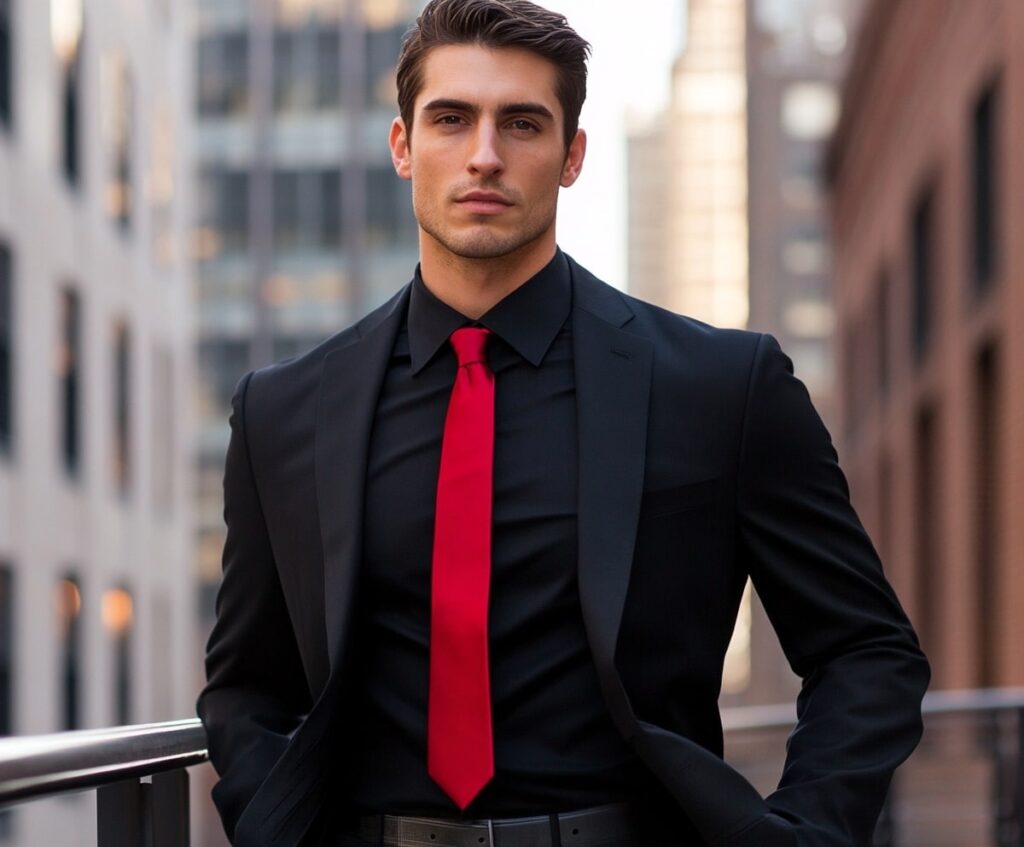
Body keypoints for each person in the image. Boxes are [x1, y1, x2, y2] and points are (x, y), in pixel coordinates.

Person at [198, 1, 929, 845]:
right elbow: (244, 687)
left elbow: (868, 651)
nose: (484, 155)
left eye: (522, 123)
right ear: (402, 147)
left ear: (572, 155)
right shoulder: (282, 411)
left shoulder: (724, 389)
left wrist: (804, 831)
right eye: (450, 119)